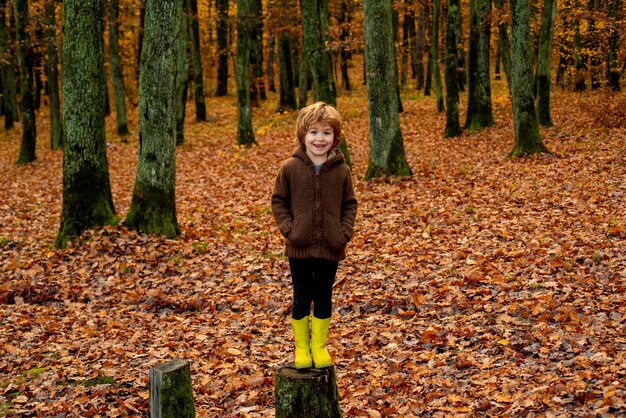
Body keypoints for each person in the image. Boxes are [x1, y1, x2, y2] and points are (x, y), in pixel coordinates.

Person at [271, 102, 358, 369]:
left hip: (331, 246)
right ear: (303, 135)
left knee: (323, 296)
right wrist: (290, 229)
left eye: (326, 133)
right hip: (300, 246)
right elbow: (278, 201)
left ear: (335, 137)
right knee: (301, 295)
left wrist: (343, 233)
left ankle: (319, 347)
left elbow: (350, 204)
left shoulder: (341, 170)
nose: (320, 139)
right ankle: (301, 348)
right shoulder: (290, 168)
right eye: (313, 132)